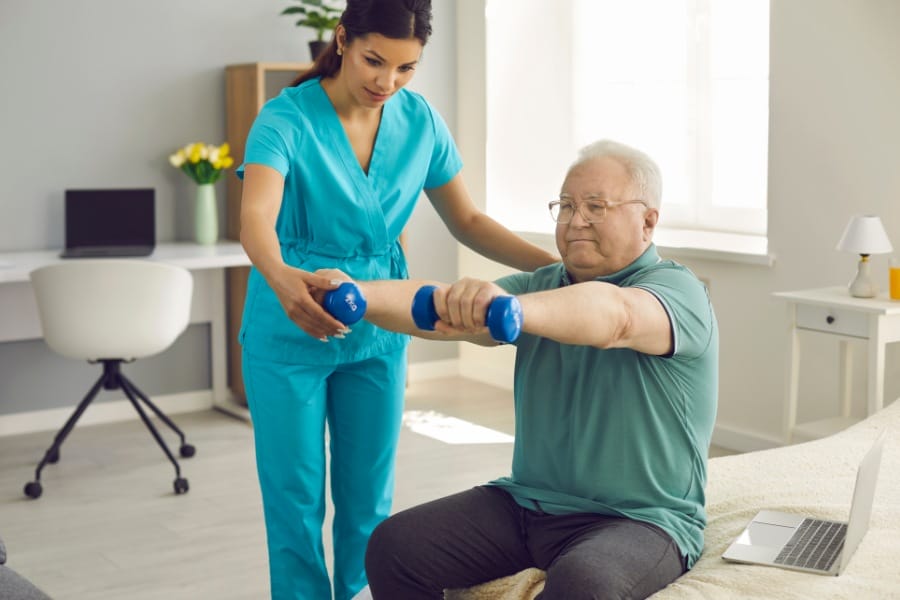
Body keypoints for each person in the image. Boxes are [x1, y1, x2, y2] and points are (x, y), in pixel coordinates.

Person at [236, 1, 558, 598]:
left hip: (381, 327)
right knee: (295, 501)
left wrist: (561, 271)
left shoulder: (420, 122)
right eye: (374, 60)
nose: (387, 81)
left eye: (407, 67)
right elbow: (255, 218)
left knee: (368, 498)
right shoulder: (284, 119)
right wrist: (283, 280)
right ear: (342, 40)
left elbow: (468, 220)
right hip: (290, 330)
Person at [318, 139, 719, 599]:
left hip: (643, 520)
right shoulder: (541, 285)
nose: (576, 219)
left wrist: (512, 310)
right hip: (526, 504)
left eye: (595, 206)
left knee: (585, 583)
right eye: (566, 206)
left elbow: (615, 316)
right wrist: (359, 295)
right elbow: (441, 311)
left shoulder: (676, 292)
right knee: (394, 546)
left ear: (648, 220)